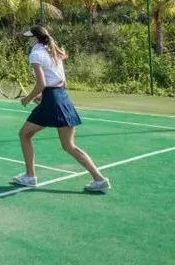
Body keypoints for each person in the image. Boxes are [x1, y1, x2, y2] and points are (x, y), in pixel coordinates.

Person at [11, 25, 110, 193]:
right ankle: (99, 178)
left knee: (24, 134)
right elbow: (61, 82)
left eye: (29, 37)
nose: (28, 40)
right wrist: (44, 98)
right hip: (61, 97)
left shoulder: (35, 54)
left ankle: (30, 176)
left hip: (53, 100)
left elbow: (41, 83)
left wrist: (28, 99)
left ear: (35, 38)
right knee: (69, 145)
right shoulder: (54, 51)